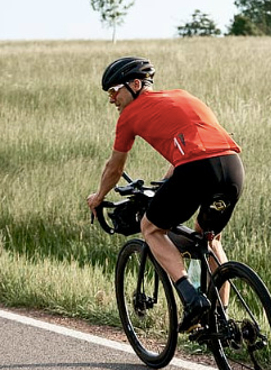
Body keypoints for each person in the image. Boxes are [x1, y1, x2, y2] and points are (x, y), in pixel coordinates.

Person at [86, 56, 244, 332]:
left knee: (150, 227)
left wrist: (99, 195)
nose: (112, 99)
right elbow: (198, 142)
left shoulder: (128, 117)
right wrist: (168, 179)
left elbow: (115, 166)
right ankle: (222, 322)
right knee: (209, 239)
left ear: (135, 84)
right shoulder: (181, 96)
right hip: (231, 167)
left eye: (114, 91)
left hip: (195, 170)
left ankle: (190, 296)